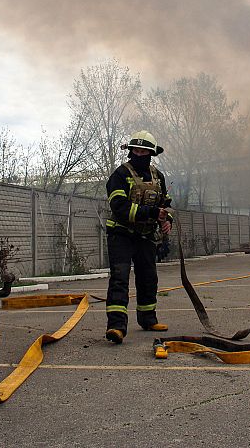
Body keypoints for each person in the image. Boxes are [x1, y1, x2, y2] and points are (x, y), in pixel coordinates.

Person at [104, 130, 173, 344]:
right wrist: (152, 213)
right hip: (121, 234)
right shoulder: (120, 175)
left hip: (145, 236)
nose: (139, 153)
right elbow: (120, 208)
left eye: (144, 150)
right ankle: (116, 326)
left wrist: (166, 218)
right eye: (136, 150)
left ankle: (148, 318)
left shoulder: (158, 177)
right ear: (130, 151)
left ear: (151, 153)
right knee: (120, 279)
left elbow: (164, 203)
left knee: (148, 278)